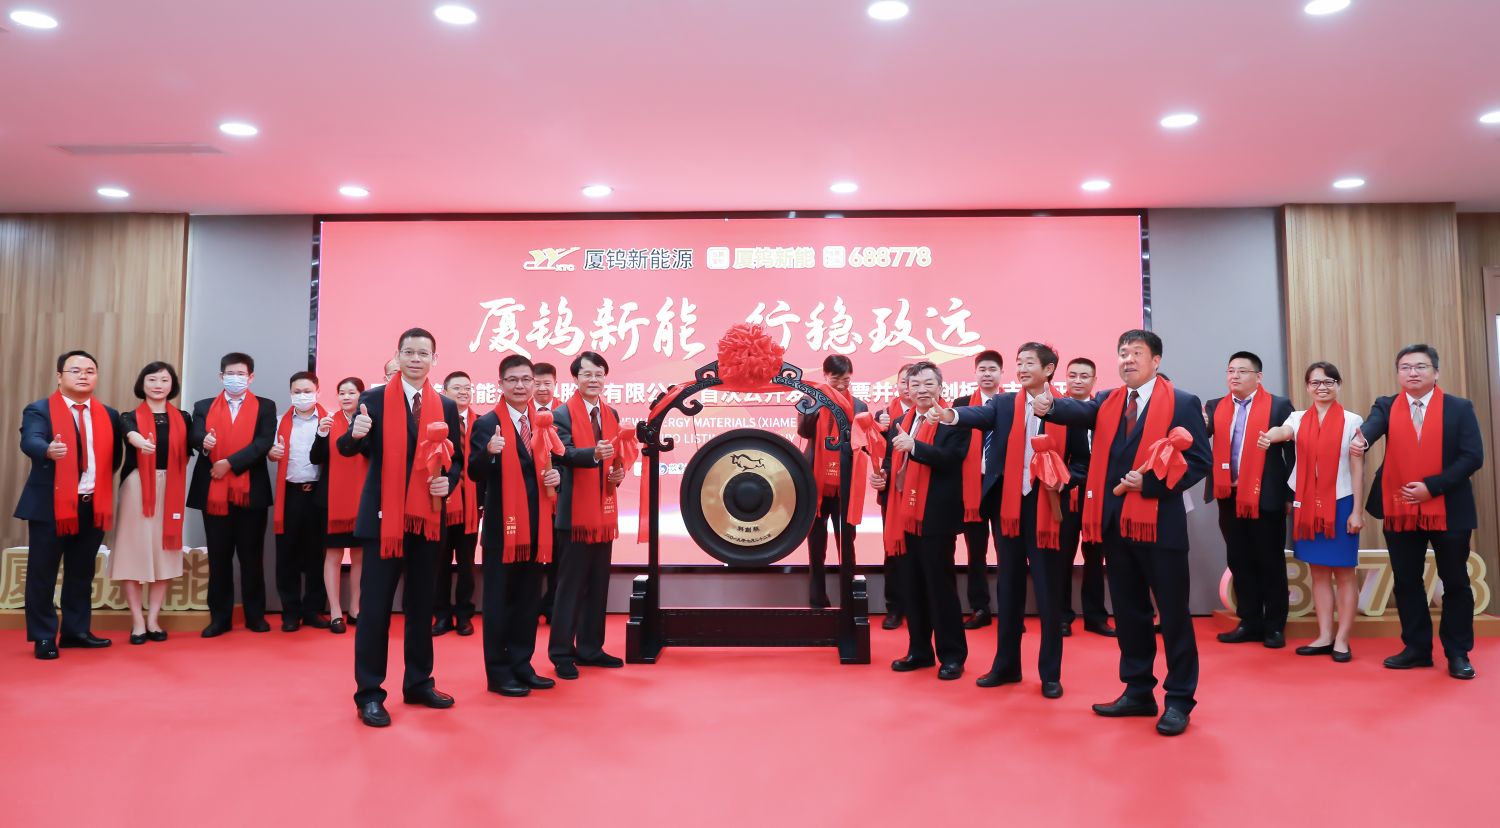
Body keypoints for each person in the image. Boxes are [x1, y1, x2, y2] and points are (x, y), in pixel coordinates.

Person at [1038, 330, 1211, 736]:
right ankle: (1137, 691)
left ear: (1156, 360)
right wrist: (1050, 406)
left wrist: (1150, 485)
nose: (1127, 360)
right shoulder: (1107, 401)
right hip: (1117, 527)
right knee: (1130, 613)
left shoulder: (1182, 402)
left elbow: (1199, 461)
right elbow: (1077, 411)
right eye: (1122, 353)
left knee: (1173, 616)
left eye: (1136, 353)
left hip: (1160, 525)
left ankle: (1179, 699)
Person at [339, 328, 464, 727]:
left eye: (423, 353)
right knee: (375, 610)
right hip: (383, 521)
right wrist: (354, 434)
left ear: (434, 360)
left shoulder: (445, 406)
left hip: (427, 520)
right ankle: (370, 694)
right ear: (397, 355)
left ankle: (418, 683)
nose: (415, 359)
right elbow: (348, 448)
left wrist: (449, 482)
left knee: (421, 606)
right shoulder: (373, 399)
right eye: (408, 352)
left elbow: (457, 461)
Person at [937, 343, 1073, 698]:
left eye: (1030, 363)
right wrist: (950, 415)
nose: (1022, 368)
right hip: (1008, 509)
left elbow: (1082, 461)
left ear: (1049, 369)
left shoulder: (1066, 409)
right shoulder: (1002, 404)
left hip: (1046, 508)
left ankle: (1050, 674)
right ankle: (1006, 666)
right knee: (1008, 589)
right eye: (1019, 363)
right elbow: (975, 416)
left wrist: (1065, 478)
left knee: (1048, 593)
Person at [1351, 344, 1483, 680]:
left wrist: (1432, 487)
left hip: (1449, 507)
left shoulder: (1459, 408)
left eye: (1420, 366)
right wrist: (1362, 440)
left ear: (1435, 372)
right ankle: (1417, 648)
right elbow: (1372, 427)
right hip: (1401, 507)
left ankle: (1458, 652)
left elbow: (1472, 457)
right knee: (1407, 580)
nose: (1413, 372)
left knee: (1455, 581)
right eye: (1405, 367)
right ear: (1398, 373)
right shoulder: (1387, 405)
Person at [16, 350, 123, 659]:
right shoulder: (39, 410)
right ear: (59, 376)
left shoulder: (109, 414)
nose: (83, 375)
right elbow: (30, 440)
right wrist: (48, 450)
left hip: (92, 504)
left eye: (90, 370)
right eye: (75, 370)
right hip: (51, 505)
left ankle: (76, 631)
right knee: (43, 573)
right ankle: (43, 636)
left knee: (81, 572)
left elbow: (114, 459)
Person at [1258, 362, 1364, 661]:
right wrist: (1270, 436)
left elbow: (1357, 468)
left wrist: (1357, 511)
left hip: (1341, 502)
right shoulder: (1298, 418)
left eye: (1329, 381)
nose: (1322, 387)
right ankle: (1324, 635)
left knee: (1345, 573)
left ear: (1338, 385)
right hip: (1306, 503)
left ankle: (1342, 639)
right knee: (1317, 573)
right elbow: (1284, 431)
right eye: (1315, 382)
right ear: (1307, 387)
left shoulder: (1352, 420)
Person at [470, 354, 561, 696]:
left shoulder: (542, 422)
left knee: (527, 601)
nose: (520, 386)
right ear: (500, 384)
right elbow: (474, 472)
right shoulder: (487, 423)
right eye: (513, 380)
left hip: (537, 527)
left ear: (534, 383)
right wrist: (489, 452)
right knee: (498, 602)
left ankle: (522, 665)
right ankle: (498, 673)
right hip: (502, 530)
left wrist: (556, 477)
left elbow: (552, 464)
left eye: (526, 380)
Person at [872, 360, 968, 680]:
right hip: (904, 515)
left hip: (935, 517)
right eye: (915, 385)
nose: (921, 390)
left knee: (940, 587)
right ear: (907, 390)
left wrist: (916, 447)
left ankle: (952, 655)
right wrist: (882, 478)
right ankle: (920, 651)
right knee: (911, 586)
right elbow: (892, 461)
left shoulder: (953, 419)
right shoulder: (902, 420)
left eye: (928, 384)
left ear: (941, 387)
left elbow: (952, 459)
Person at [1205, 351, 1295, 648]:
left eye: (1242, 371)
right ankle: (1249, 621)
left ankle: (1275, 625)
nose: (1235, 376)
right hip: (1228, 495)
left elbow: (1292, 453)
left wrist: (1289, 494)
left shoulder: (1278, 405)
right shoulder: (1215, 406)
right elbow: (1199, 436)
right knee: (1239, 559)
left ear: (1258, 377)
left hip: (1265, 495)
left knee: (1270, 560)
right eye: (1231, 370)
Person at [549, 351, 629, 678]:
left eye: (598, 374)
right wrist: (594, 455)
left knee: (598, 585)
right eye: (587, 374)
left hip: (603, 514)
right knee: (570, 587)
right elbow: (562, 453)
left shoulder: (611, 413)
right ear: (575, 378)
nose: (593, 379)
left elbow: (616, 455)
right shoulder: (561, 414)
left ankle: (590, 648)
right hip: (574, 516)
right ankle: (561, 653)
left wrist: (617, 473)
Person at [189, 352, 277, 638]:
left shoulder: (265, 406)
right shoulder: (203, 406)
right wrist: (204, 442)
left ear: (251, 377)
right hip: (213, 493)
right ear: (221, 376)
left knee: (252, 558)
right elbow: (194, 435)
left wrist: (229, 463)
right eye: (230, 374)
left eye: (241, 374)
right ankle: (220, 618)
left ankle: (255, 616)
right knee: (219, 557)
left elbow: (263, 442)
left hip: (250, 492)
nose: (235, 378)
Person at [111, 362, 192, 644]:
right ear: (142, 384)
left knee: (164, 552)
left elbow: (193, 444)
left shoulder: (184, 417)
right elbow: (130, 434)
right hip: (137, 486)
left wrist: (207, 441)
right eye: (152, 379)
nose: (158, 385)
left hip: (172, 485)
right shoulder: (128, 417)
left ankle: (153, 619)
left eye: (164, 380)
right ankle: (137, 622)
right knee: (132, 551)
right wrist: (139, 441)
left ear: (173, 385)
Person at [796, 354, 868, 608]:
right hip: (815, 482)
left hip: (845, 483)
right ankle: (818, 600)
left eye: (846, 379)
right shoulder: (810, 399)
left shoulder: (859, 405)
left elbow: (864, 442)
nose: (841, 384)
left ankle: (849, 600)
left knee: (847, 543)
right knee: (816, 545)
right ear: (825, 375)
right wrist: (816, 408)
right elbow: (803, 431)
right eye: (836, 378)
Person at [1056, 357, 1114, 638]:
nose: (1077, 381)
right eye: (1073, 375)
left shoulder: (1105, 411)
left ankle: (1095, 617)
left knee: (1096, 559)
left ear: (1094, 381)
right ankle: (1061, 616)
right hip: (1065, 495)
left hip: (1100, 497)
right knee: (1062, 557)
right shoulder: (1055, 412)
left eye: (1084, 376)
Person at [270, 372, 330, 632]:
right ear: (290, 393)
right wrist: (272, 453)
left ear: (318, 392)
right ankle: (290, 612)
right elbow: (271, 452)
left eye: (307, 391)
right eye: (297, 392)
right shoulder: (279, 422)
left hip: (318, 495)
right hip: (291, 494)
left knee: (317, 555)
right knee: (287, 556)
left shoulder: (329, 421)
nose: (302, 396)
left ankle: (314, 610)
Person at [952, 350, 1002, 629]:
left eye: (992, 369)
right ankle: (980, 608)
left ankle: (1010, 610)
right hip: (972, 486)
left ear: (1001, 373)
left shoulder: (1012, 403)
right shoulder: (961, 404)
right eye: (982, 369)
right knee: (976, 552)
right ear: (975, 373)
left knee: (1007, 552)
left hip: (1003, 487)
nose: (987, 374)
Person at [313, 376, 367, 634]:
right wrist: (321, 434)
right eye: (342, 393)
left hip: (362, 499)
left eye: (351, 392)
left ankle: (355, 608)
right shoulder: (328, 421)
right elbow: (316, 458)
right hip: (331, 500)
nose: (346, 397)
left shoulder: (368, 422)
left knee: (359, 555)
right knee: (333, 555)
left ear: (361, 396)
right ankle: (335, 610)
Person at [433, 371, 480, 637]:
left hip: (471, 506)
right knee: (439, 564)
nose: (464, 392)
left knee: (467, 565)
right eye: (458, 388)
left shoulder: (482, 423)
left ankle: (464, 615)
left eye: (467, 388)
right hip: (440, 504)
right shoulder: (436, 424)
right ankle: (441, 615)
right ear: (445, 391)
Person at [876, 363, 915, 630]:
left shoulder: (932, 414)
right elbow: (875, 454)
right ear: (898, 384)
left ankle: (917, 606)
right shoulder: (883, 416)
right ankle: (894, 608)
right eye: (904, 382)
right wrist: (879, 431)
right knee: (893, 550)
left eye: (914, 382)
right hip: (892, 493)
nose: (909, 387)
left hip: (922, 493)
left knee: (919, 552)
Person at [533, 361, 561, 623]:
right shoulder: (521, 413)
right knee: (531, 555)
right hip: (530, 498)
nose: (542, 388)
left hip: (559, 499)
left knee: (558, 556)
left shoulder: (563, 413)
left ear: (555, 384)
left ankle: (552, 604)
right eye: (537, 383)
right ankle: (529, 606)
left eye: (547, 383)